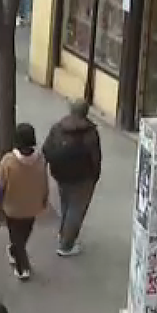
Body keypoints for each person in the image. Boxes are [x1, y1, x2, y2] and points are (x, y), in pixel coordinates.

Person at [41, 99, 102, 257]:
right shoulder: (90, 132)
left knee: (66, 203)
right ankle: (66, 245)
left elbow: (46, 150)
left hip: (61, 174)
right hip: (83, 177)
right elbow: (95, 157)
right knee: (76, 208)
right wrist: (95, 176)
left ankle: (63, 233)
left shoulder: (58, 128)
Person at [0, 123, 50, 280]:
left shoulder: (8, 161)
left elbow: (1, 184)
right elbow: (44, 182)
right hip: (33, 206)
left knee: (15, 236)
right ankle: (15, 252)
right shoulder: (40, 159)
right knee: (24, 233)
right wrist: (44, 199)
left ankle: (22, 267)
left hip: (12, 206)